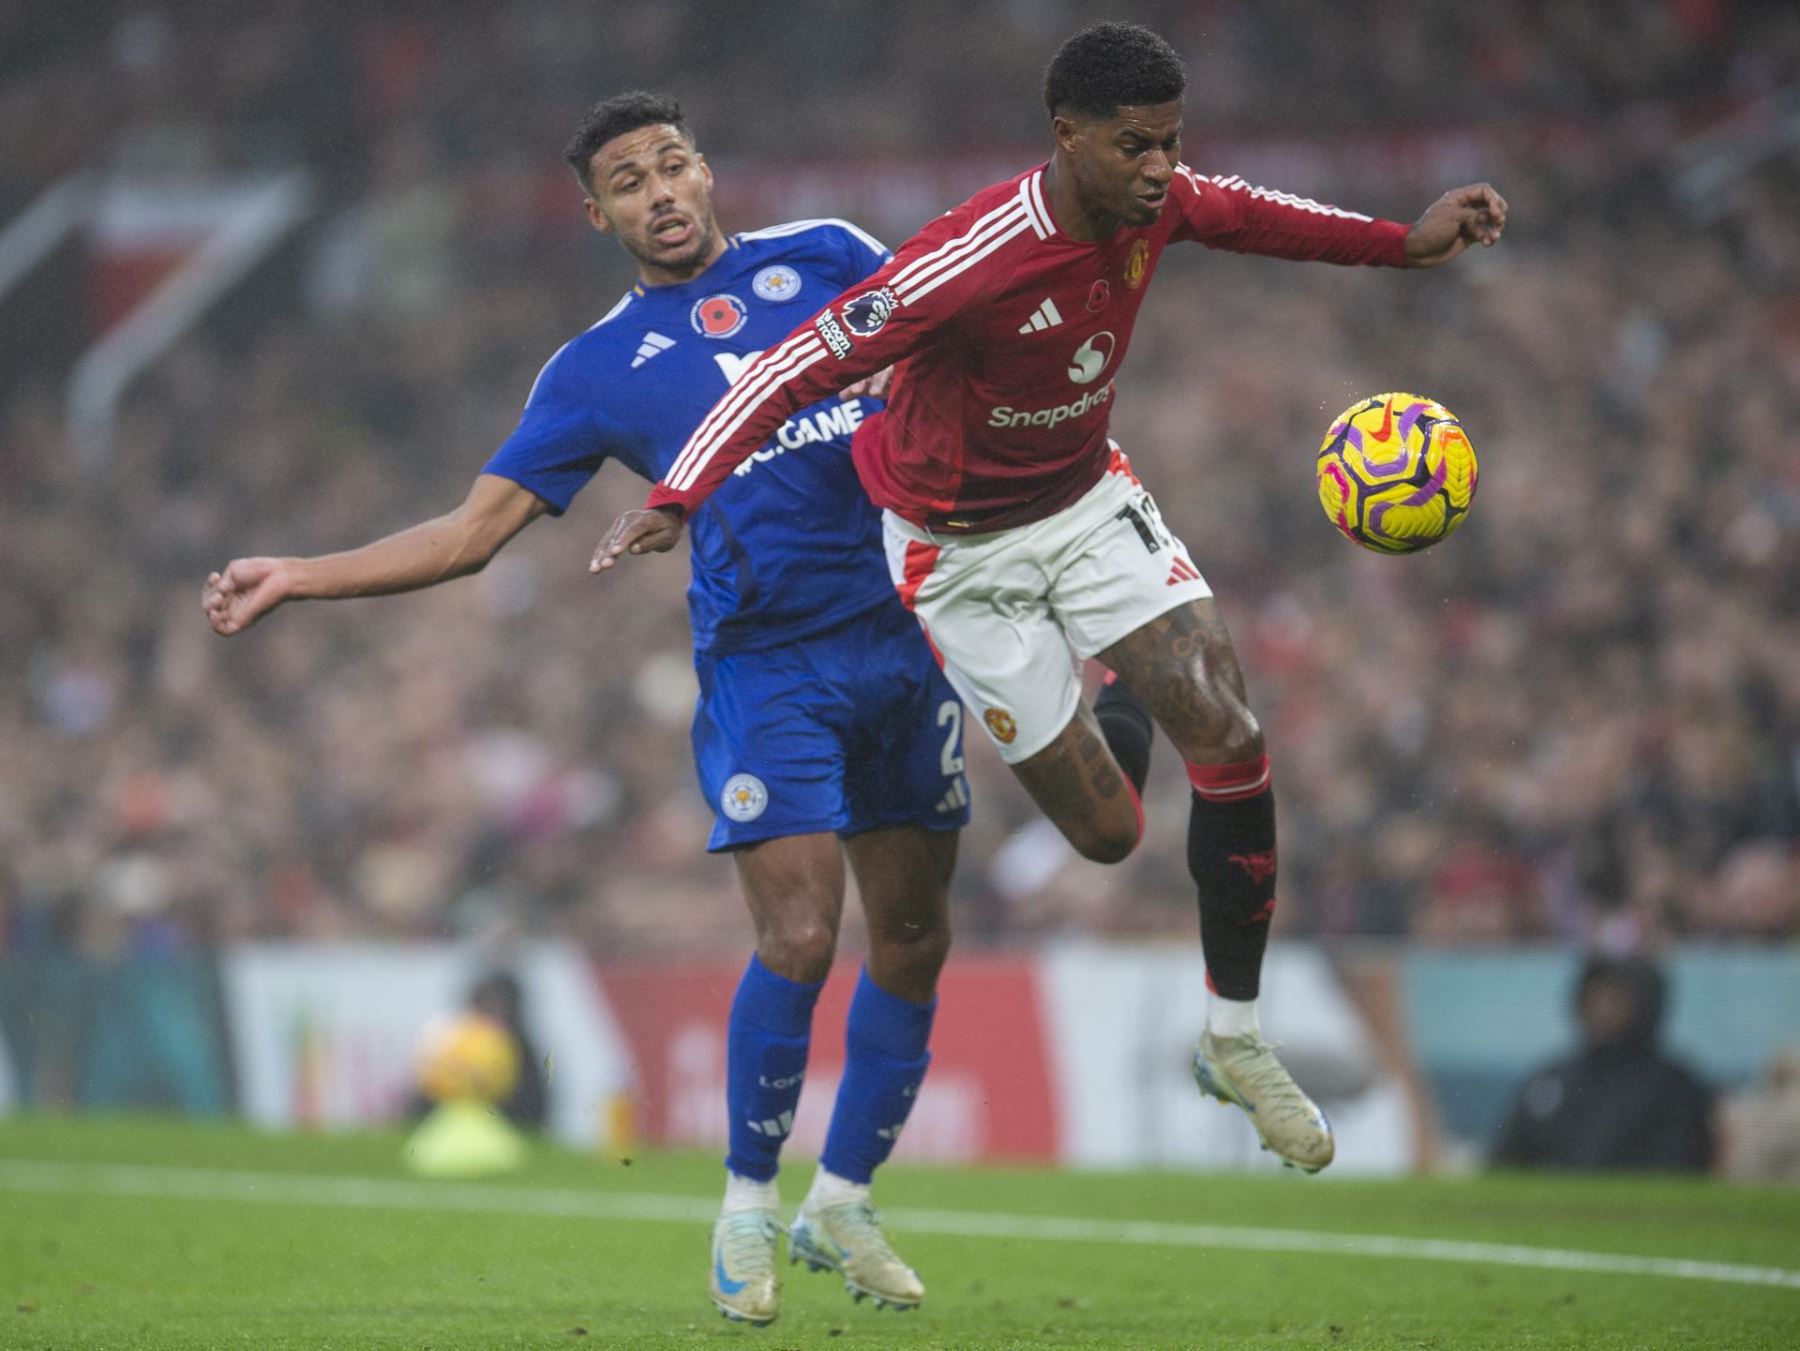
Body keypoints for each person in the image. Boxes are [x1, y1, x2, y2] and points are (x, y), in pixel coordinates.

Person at [595, 22, 1507, 1175]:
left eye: (1172, 143)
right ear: (1067, 138)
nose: (1160, 168)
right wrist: (681, 491)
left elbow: (1257, 216)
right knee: (1110, 833)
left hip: (1085, 506)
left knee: (1230, 732)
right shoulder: (967, 256)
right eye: (1135, 146)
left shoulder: (1159, 199)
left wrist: (1405, 244)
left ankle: (1234, 1033)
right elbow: (794, 365)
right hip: (955, 556)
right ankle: (1117, 678)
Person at [202, 92, 967, 1325]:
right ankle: (744, 1205)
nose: (659, 191)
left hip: (907, 638)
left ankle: (850, 1192)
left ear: (708, 171)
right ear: (596, 212)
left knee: (917, 939)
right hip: (770, 669)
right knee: (802, 939)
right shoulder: (600, 366)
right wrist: (300, 573)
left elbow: (952, 342)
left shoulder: (828, 255)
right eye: (629, 180)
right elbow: (468, 535)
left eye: (672, 164)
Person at [1492, 954, 1715, 1172]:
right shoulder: (1552, 1080)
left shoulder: (1676, 1087)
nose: (1604, 1009)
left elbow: (1679, 1167)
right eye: (1595, 997)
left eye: (1617, 999)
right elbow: (1505, 1162)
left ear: (1646, 1005)